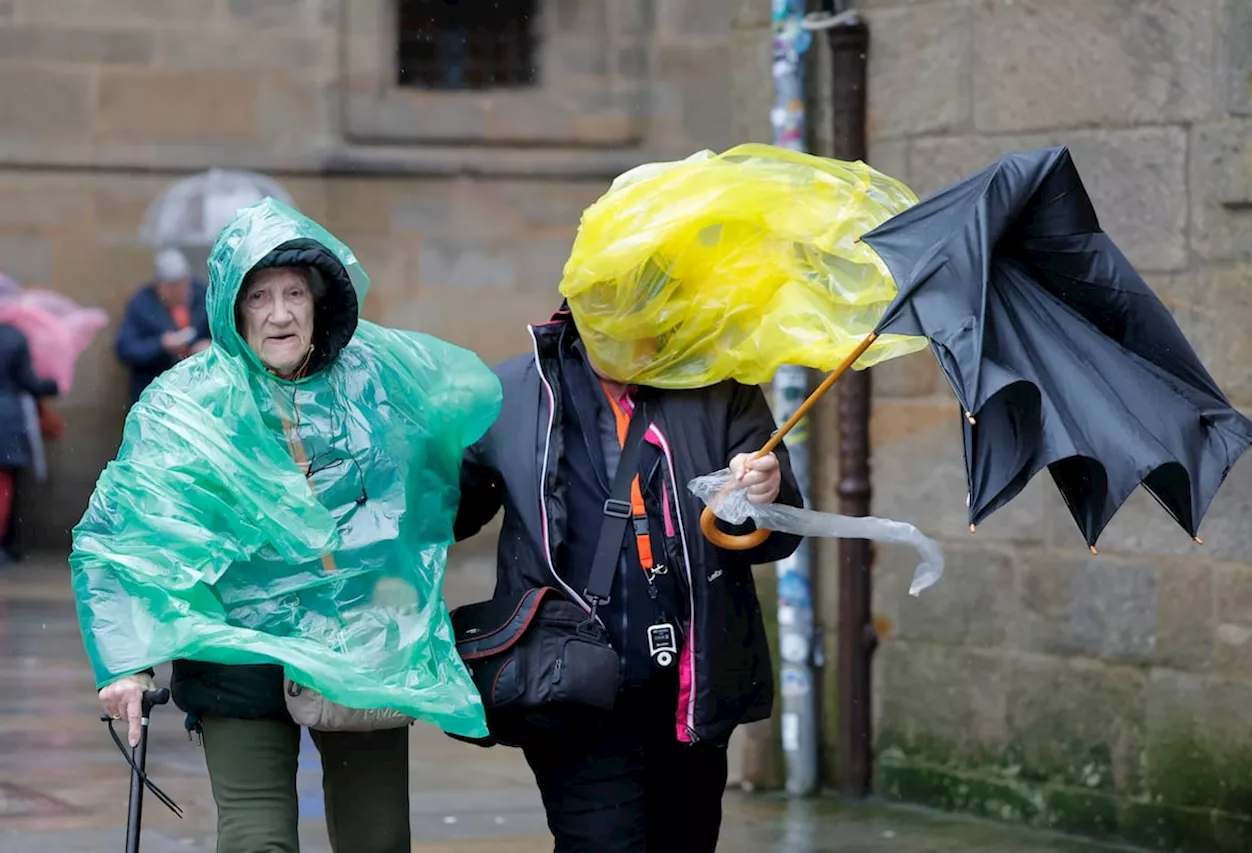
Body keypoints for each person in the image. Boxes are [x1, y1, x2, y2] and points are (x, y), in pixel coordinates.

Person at [81, 201, 498, 853]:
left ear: (317, 301)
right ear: (233, 307)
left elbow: (439, 488)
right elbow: (122, 534)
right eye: (261, 296)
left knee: (378, 839)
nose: (280, 313)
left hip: (360, 649)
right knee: (256, 841)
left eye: (295, 293)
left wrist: (405, 597)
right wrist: (126, 662)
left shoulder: (375, 382)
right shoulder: (185, 406)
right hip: (237, 652)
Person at [453, 303, 804, 852]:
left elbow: (777, 536)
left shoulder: (719, 387)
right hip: (568, 683)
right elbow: (446, 512)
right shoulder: (513, 393)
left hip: (691, 687)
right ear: (577, 305)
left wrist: (765, 493)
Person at [115, 247, 211, 403]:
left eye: (184, 284)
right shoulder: (142, 305)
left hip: (199, 390)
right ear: (160, 286)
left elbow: (227, 333)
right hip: (157, 392)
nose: (181, 291)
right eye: (173, 286)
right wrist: (161, 345)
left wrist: (210, 348)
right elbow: (125, 349)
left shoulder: (203, 297)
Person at [0, 321, 57, 566]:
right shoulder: (14, 335)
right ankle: (5, 544)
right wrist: (51, 385)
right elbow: (28, 381)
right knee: (6, 486)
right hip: (8, 417)